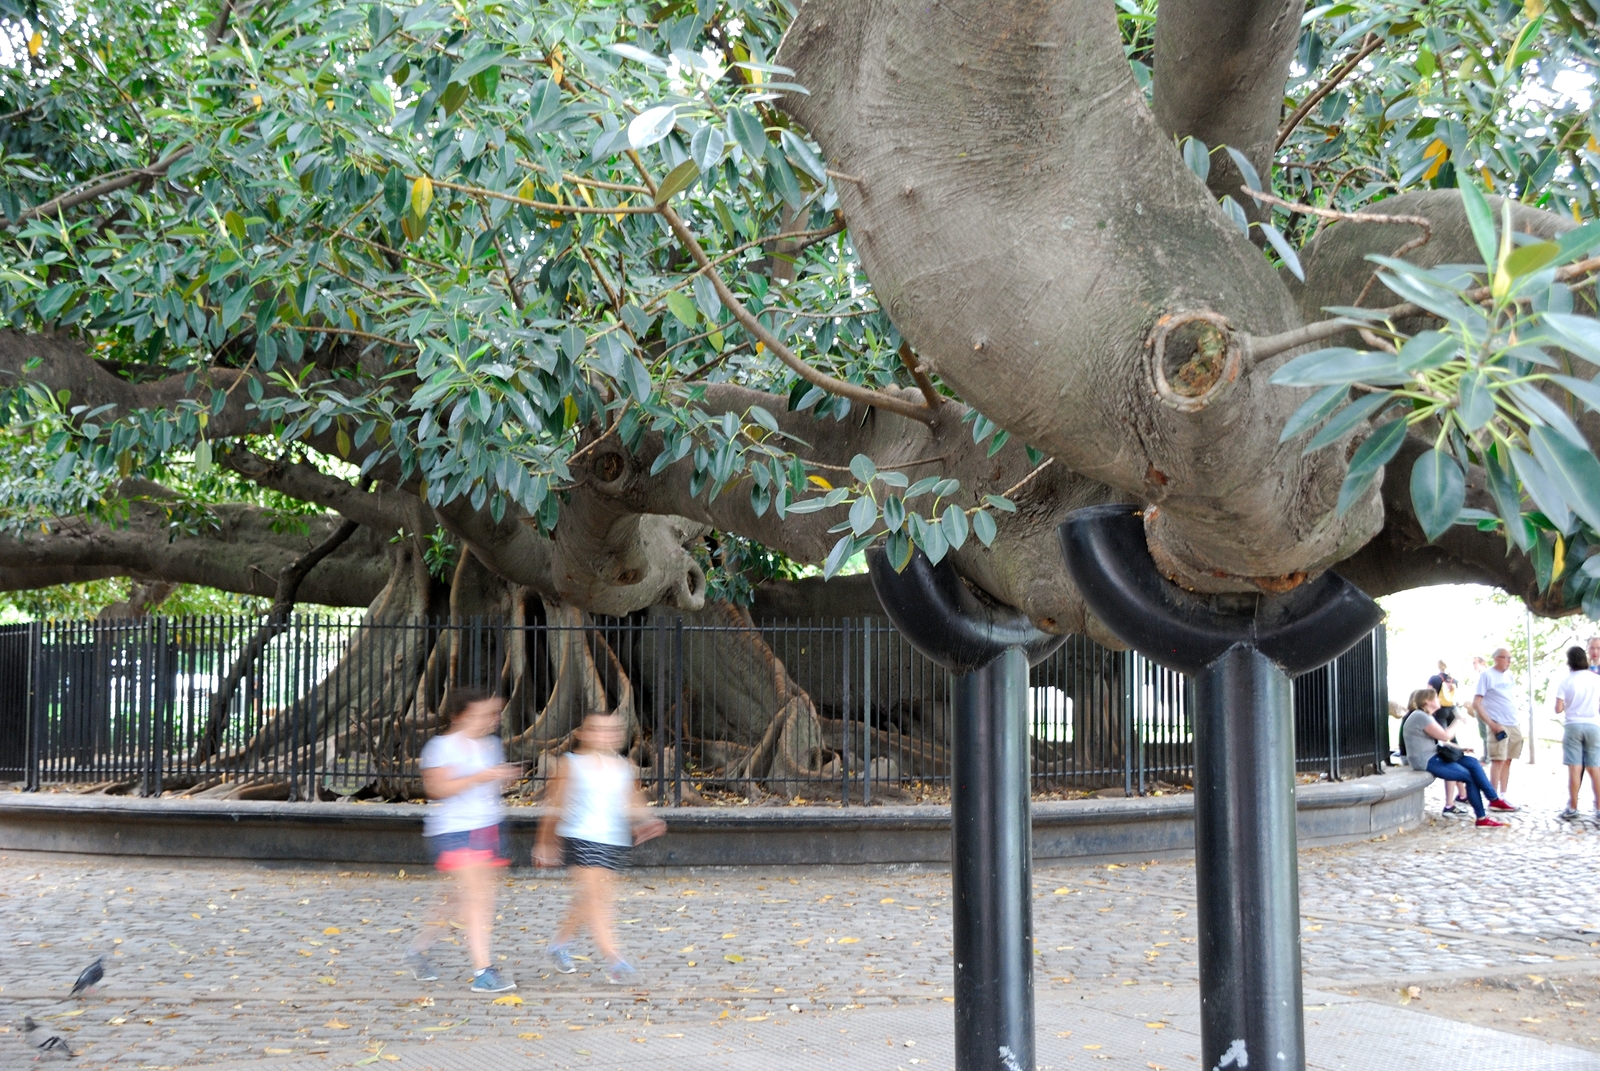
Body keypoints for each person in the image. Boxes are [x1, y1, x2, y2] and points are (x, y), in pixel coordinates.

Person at [536, 710, 666, 984]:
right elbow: (554, 806)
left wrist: (647, 820)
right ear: (583, 733)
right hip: (581, 838)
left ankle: (559, 944)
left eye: (612, 730)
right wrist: (545, 843)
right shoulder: (570, 764)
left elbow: (631, 800)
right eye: (598, 729)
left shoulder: (621, 766)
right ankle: (615, 960)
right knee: (598, 901)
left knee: (588, 899)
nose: (606, 735)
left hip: (614, 840)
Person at [407, 687, 522, 993]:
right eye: (483, 714)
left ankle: (419, 948)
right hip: (453, 831)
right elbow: (437, 789)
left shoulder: (491, 746)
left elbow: (488, 790)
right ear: (460, 716)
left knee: (453, 900)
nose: (492, 720)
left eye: (495, 713)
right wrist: (482, 776)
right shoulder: (441, 747)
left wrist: (501, 777)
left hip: (487, 830)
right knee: (477, 900)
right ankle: (483, 971)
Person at [1399, 687, 1516, 827]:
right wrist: (1458, 721)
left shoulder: (1426, 716)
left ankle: (1493, 800)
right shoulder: (1420, 716)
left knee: (1472, 762)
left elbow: (1441, 741)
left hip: (1435, 755)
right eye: (1436, 697)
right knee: (1469, 776)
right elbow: (1445, 735)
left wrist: (1461, 748)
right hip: (1425, 761)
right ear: (1427, 701)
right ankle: (1484, 814)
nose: (1439, 700)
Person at [1553, 646, 1600, 820]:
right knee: (1595, 768)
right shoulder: (1596, 679)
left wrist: (1569, 705)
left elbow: (1558, 708)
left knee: (1575, 768)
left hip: (1573, 725)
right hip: (1593, 725)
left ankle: (1573, 807)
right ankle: (1599, 807)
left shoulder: (1566, 681)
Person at [1471, 648, 1523, 799]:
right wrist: (1491, 724)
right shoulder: (1486, 675)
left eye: (1510, 658)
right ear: (1497, 659)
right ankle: (1493, 796)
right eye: (1506, 658)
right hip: (1498, 723)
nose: (1509, 661)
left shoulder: (1509, 676)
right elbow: (1477, 703)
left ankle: (1503, 794)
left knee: (1508, 760)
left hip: (1513, 722)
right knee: (1498, 759)